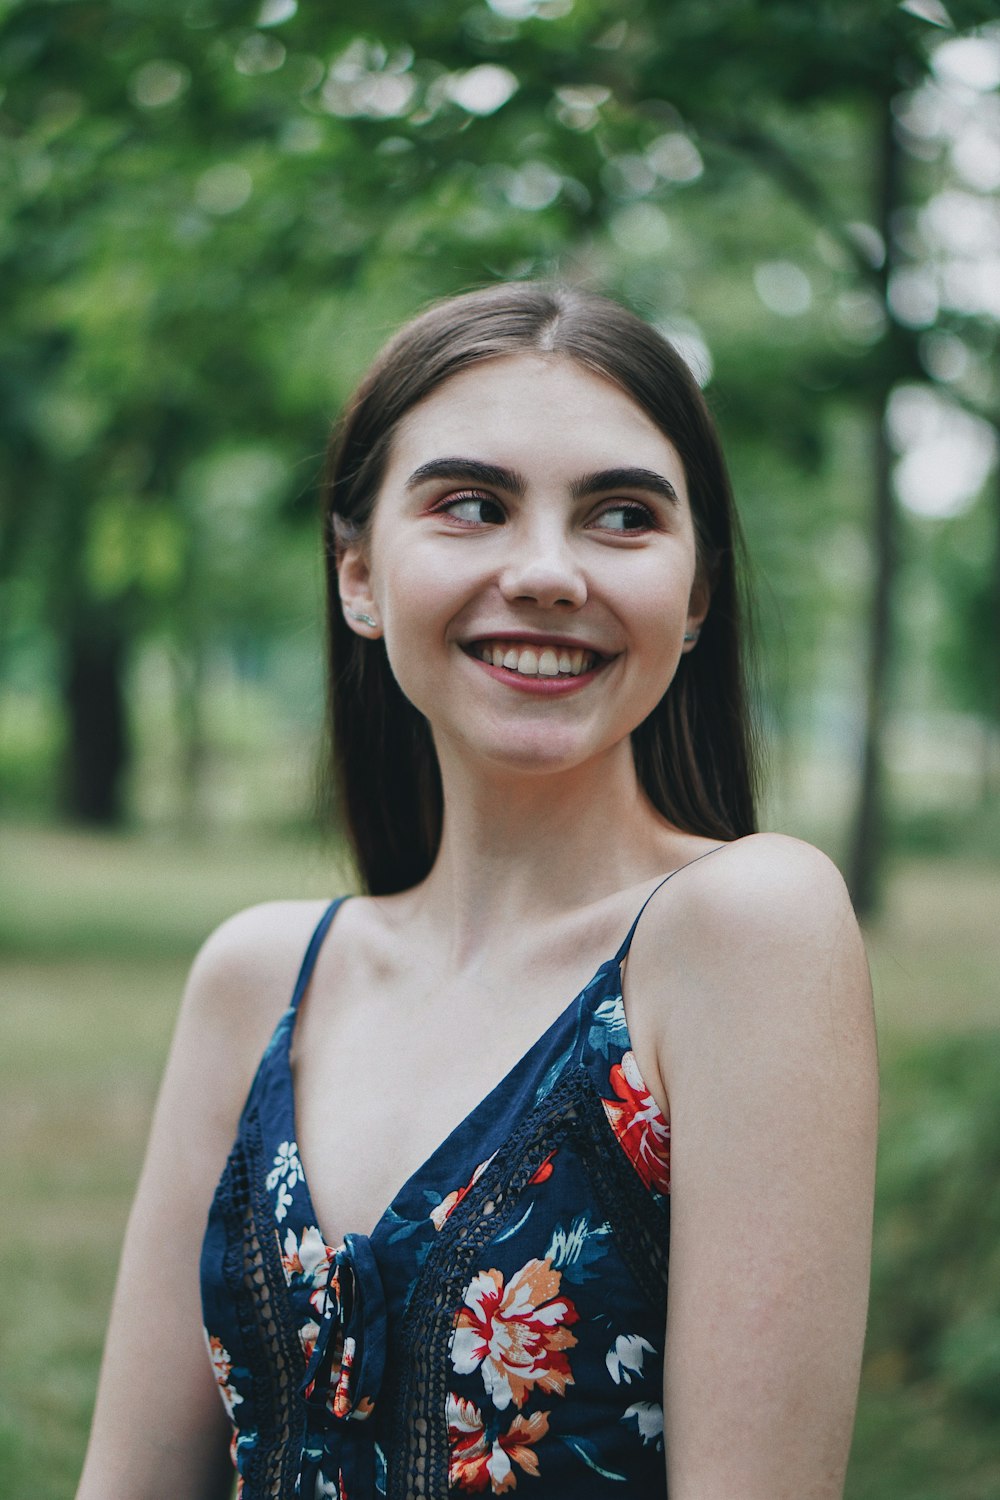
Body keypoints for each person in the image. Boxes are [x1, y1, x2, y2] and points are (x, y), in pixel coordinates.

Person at [77, 282, 878, 1500]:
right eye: (470, 505)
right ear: (356, 573)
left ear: (697, 595)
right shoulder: (257, 979)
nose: (547, 572)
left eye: (620, 516)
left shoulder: (741, 930)